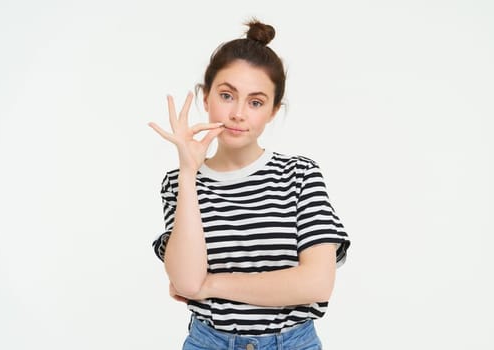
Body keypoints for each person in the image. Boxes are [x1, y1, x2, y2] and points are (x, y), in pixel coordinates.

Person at [148, 19, 351, 350]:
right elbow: (185, 281)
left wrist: (210, 285)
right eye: (227, 95)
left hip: (291, 343)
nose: (238, 113)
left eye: (255, 102)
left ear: (272, 111)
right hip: (207, 342)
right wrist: (188, 173)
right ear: (206, 96)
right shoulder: (178, 183)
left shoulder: (300, 175)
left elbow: (317, 283)